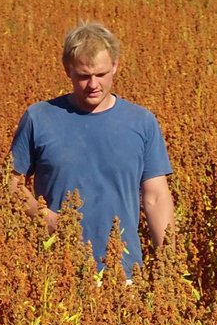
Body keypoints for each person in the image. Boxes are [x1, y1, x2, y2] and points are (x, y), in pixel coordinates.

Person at [10, 22, 175, 277]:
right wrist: (46, 218)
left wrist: (168, 261)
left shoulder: (141, 122)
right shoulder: (39, 118)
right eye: (83, 76)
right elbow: (11, 185)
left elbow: (156, 197)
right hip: (56, 272)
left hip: (123, 272)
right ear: (68, 70)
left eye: (101, 74)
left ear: (116, 66)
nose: (93, 85)